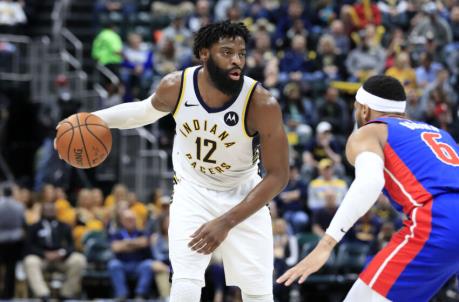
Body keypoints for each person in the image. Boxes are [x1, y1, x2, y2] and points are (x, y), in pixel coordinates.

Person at [56, 21, 289, 302]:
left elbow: (278, 176)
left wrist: (226, 222)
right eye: (226, 52)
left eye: (241, 53)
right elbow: (141, 112)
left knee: (258, 294)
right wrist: (91, 120)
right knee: (186, 280)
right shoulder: (177, 86)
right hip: (192, 192)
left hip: (242, 195)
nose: (236, 60)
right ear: (204, 53)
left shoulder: (261, 103)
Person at [277, 75, 459, 301]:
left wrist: (326, 244)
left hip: (437, 220)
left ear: (364, 110)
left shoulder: (369, 132)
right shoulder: (440, 133)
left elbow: (370, 182)